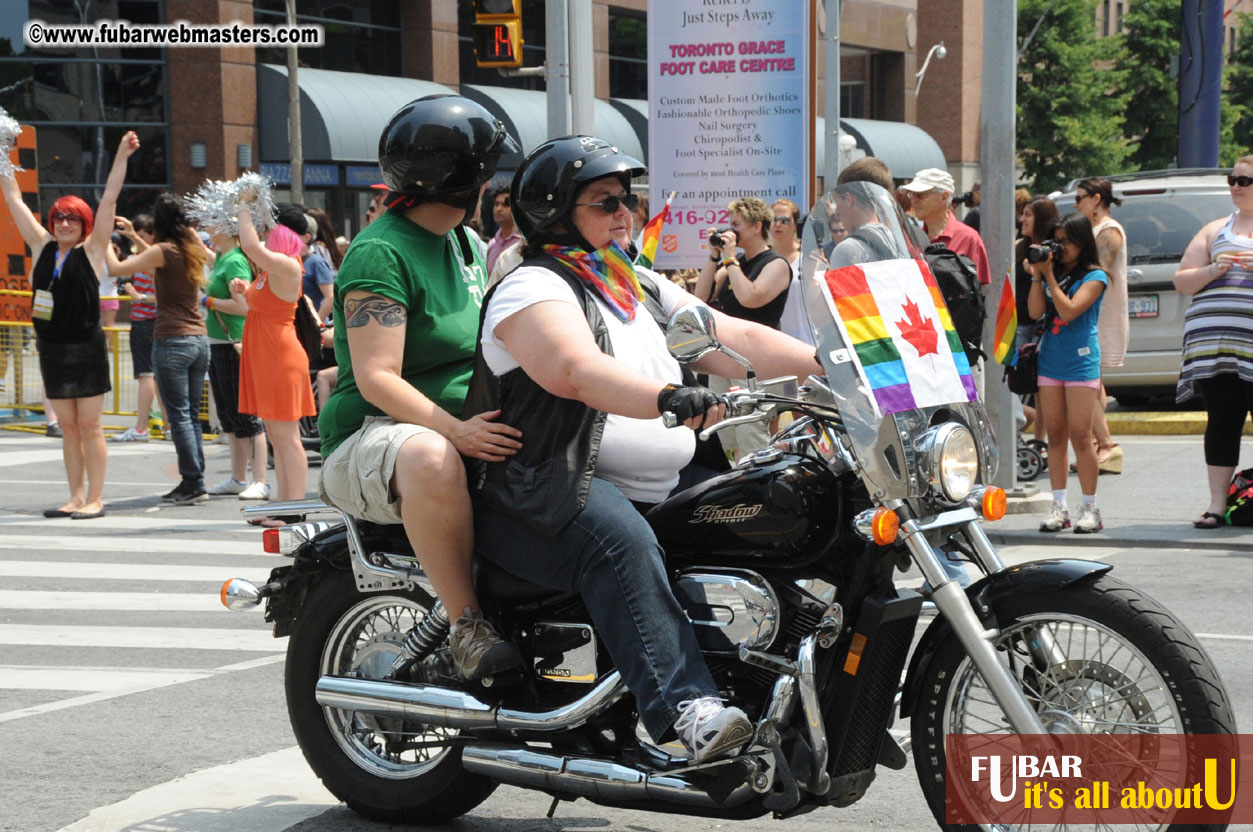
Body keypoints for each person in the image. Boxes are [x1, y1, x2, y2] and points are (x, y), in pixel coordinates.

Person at [466, 135, 821, 762]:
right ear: (554, 210)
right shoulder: (533, 287)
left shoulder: (631, 283)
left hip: (648, 480)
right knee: (618, 543)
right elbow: (573, 370)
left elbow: (725, 334)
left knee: (777, 500)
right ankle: (687, 708)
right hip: (546, 488)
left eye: (626, 199)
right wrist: (667, 397)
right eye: (605, 203)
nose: (625, 213)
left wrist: (830, 367)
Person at [318, 95, 524, 681]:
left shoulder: (461, 240)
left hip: (466, 422)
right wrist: (456, 429)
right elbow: (378, 378)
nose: (490, 186)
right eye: (486, 173)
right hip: (377, 435)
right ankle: (466, 626)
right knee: (432, 458)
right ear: (467, 180)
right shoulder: (381, 251)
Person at [0, 131, 139, 519]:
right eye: (59, 217)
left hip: (87, 347)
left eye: (72, 218)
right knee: (68, 427)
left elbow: (109, 198)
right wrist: (2, 152)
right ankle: (75, 497)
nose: (63, 223)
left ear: (84, 224)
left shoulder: (93, 249)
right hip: (52, 349)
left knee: (90, 425)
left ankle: (96, 498)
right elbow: (13, 199)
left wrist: (122, 155)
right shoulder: (41, 245)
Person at [109, 193, 214, 504]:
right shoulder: (187, 248)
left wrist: (103, 239)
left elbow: (116, 269)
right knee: (191, 415)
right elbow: (161, 256)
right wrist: (133, 236)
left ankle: (192, 482)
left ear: (158, 222)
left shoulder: (164, 250)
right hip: (198, 339)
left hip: (172, 339)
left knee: (179, 416)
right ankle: (197, 480)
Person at [1174, 156, 1253, 529]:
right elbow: (1182, 281)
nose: (1236, 186)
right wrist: (1213, 269)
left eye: (1245, 180)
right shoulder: (1215, 229)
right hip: (1214, 347)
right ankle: (1217, 505)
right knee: (1222, 421)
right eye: (1232, 178)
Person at [229, 206, 317, 525]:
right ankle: (282, 505)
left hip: (280, 358)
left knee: (287, 438)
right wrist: (242, 294)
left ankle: (293, 508)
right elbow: (256, 310)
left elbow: (251, 247)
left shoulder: (286, 264)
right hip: (268, 356)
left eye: (269, 227)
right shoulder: (273, 268)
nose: (265, 233)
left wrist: (242, 207)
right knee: (279, 438)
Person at [1026, 213, 1108, 534]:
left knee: (1081, 436)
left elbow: (1070, 311)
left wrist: (1047, 276)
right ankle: (1058, 506)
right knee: (1055, 435)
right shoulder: (1052, 273)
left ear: (1082, 241)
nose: (1060, 248)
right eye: (1055, 241)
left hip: (1080, 362)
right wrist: (1037, 275)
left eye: (1066, 241)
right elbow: (1034, 312)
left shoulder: (1096, 276)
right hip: (1051, 360)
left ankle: (1090, 507)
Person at [693, 196, 791, 459]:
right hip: (726, 356)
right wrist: (715, 257)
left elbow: (750, 297)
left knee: (751, 431)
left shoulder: (776, 264)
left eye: (736, 225)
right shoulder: (732, 265)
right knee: (725, 429)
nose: (730, 232)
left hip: (756, 361)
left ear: (756, 226)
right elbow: (700, 296)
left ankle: (760, 487)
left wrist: (730, 260)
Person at [202, 219, 269, 500]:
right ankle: (239, 477)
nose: (208, 227)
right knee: (230, 415)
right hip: (222, 343)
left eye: (213, 223)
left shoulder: (234, 261)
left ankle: (260, 480)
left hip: (236, 343)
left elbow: (243, 307)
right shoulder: (223, 256)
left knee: (246, 414)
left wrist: (208, 302)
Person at [1074, 177, 1127, 475]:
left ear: (1096, 199)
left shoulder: (1109, 231)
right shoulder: (1093, 229)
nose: (1076, 203)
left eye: (1080, 197)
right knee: (1094, 382)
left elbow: (1101, 271)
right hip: (1089, 312)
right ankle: (1098, 444)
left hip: (1098, 314)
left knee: (1087, 378)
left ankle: (1107, 445)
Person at [110, 213, 167, 441]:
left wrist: (140, 296)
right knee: (157, 378)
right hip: (151, 322)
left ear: (153, 236)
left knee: (147, 376)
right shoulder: (151, 259)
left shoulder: (155, 260)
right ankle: (169, 425)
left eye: (143, 236)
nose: (137, 241)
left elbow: (164, 294)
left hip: (147, 322)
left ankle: (141, 427)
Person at [1014, 196, 1060, 440]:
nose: (1022, 219)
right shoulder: (1018, 247)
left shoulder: (1052, 250)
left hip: (1045, 325)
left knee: (1043, 387)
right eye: (1023, 214)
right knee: (1018, 381)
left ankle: (1041, 441)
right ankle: (1021, 433)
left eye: (1029, 214)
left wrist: (1038, 272)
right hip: (1020, 323)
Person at [901, 168, 992, 286]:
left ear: (944, 197)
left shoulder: (969, 239)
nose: (913, 200)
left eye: (921, 195)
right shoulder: (911, 239)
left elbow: (980, 291)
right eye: (911, 194)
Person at [772, 198, 812, 345]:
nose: (778, 224)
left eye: (785, 220)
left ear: (795, 225)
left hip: (807, 342)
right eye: (773, 219)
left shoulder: (809, 256)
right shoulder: (763, 260)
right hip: (774, 343)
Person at [485, 188, 521, 275]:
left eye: (505, 205)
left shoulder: (522, 244)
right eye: (496, 204)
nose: (499, 209)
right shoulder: (492, 244)